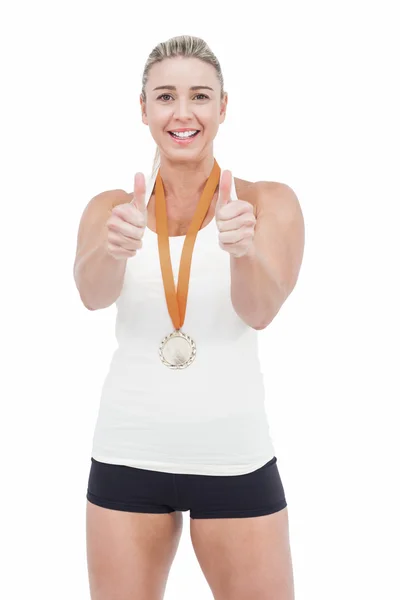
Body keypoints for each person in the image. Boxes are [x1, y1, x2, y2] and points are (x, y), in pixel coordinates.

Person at [74, 34, 304, 600]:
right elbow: (90, 294)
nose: (183, 113)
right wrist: (113, 249)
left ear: (223, 108)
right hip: (128, 448)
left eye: (200, 96)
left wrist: (244, 251)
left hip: (233, 453)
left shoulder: (268, 202)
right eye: (166, 97)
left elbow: (261, 310)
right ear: (144, 108)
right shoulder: (112, 208)